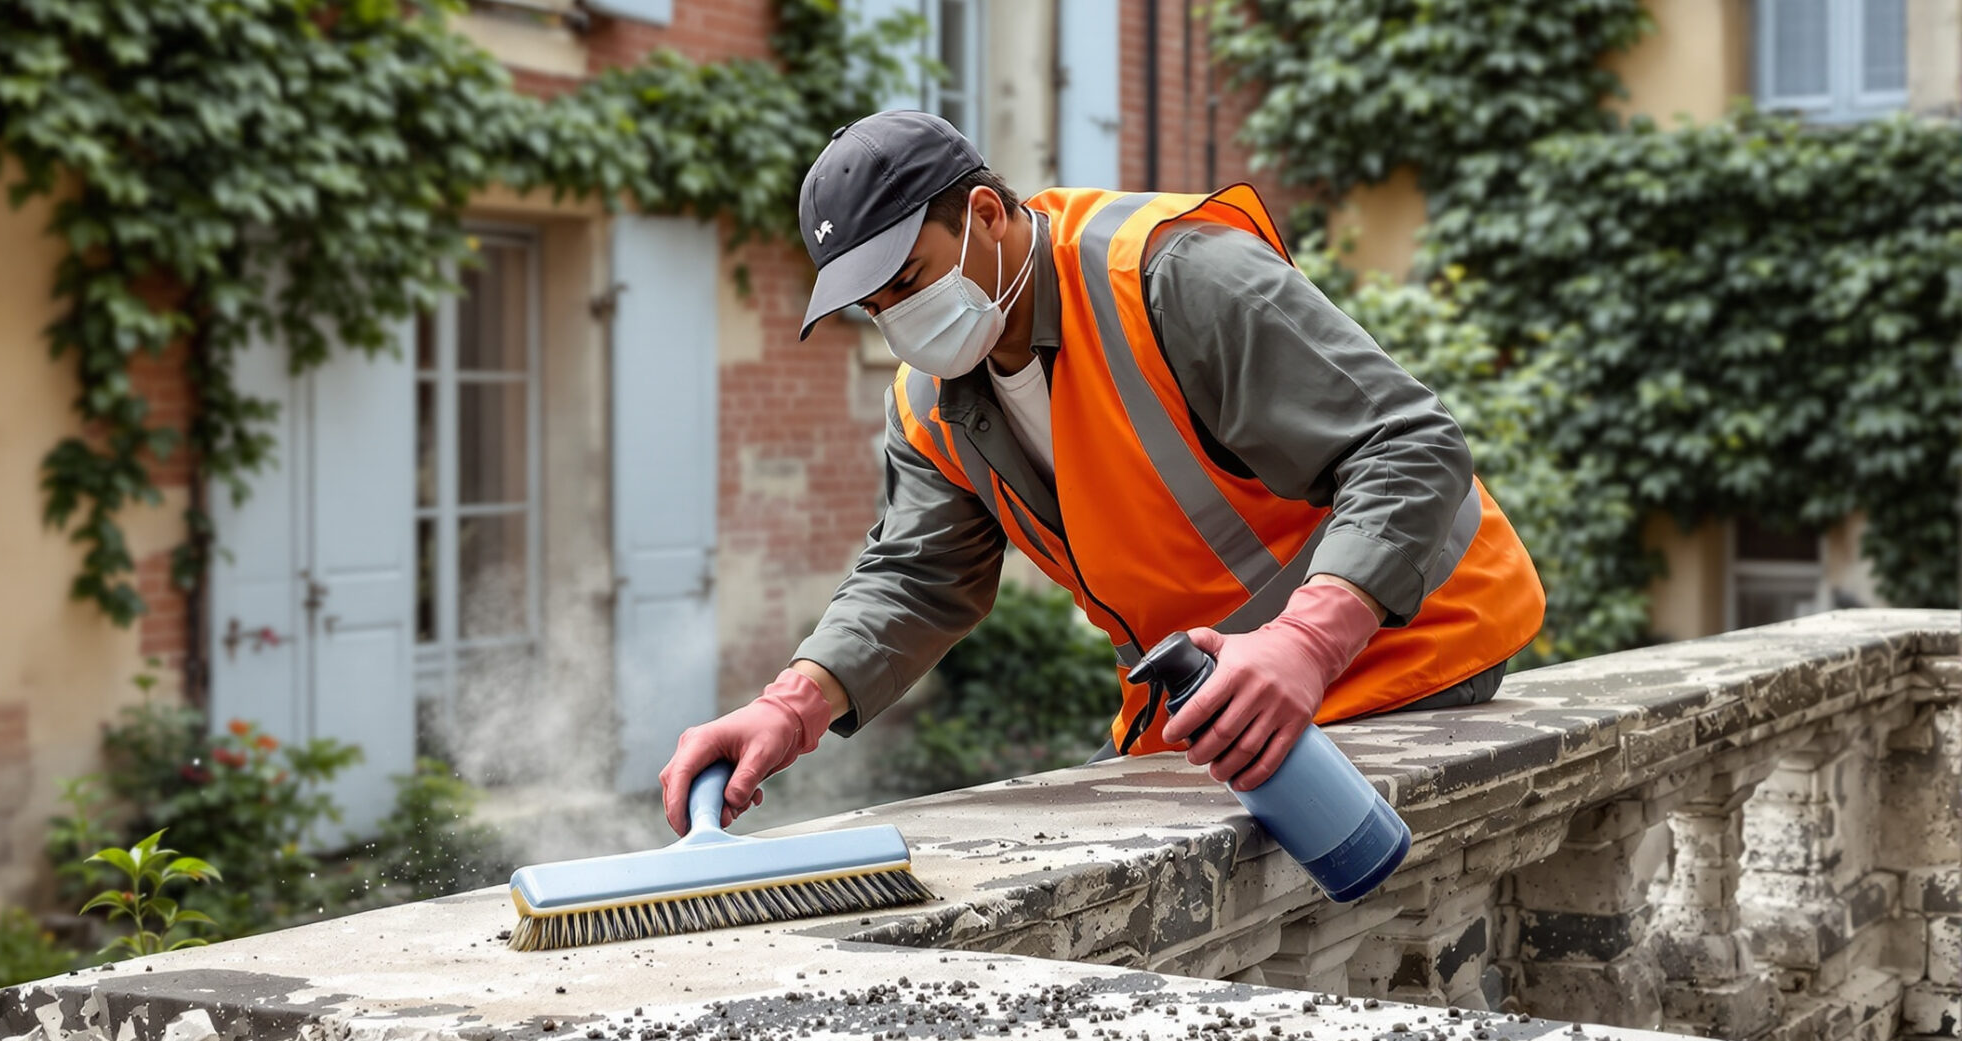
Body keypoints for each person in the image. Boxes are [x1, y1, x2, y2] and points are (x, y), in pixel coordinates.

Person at [660, 110, 1545, 834]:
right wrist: (791, 706)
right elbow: (917, 575)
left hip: (1411, 656)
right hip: (1220, 709)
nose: (898, 318)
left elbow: (1409, 444)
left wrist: (1306, 643)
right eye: (873, 303)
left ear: (985, 215)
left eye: (909, 278)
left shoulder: (1172, 274)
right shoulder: (929, 403)